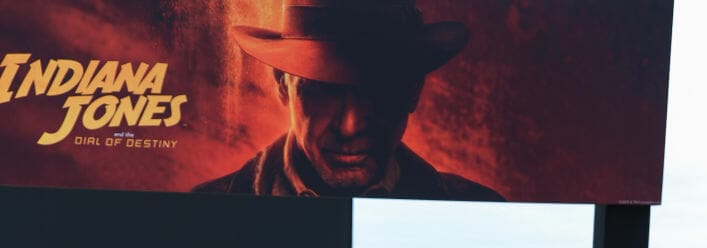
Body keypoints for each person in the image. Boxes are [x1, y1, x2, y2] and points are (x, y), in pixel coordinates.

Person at [193, 0, 503, 200]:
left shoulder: (482, 210)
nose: (350, 126)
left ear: (413, 91)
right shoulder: (205, 210)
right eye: (323, 91)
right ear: (282, 84)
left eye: (378, 92)